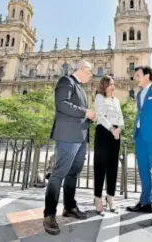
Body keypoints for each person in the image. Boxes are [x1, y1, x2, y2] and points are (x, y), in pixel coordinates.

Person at [43, 60, 95, 236]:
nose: (91, 75)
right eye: (89, 72)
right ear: (81, 69)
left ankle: (69, 207)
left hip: (80, 139)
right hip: (67, 137)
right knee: (58, 174)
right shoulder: (66, 81)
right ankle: (49, 214)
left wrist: (88, 115)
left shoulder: (81, 88)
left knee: (73, 174)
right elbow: (62, 104)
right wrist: (85, 112)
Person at [126, 66, 152, 226]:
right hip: (140, 136)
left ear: (148, 76)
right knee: (143, 170)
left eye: (138, 75)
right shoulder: (138, 94)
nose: (135, 77)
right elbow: (141, 112)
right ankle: (145, 203)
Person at [93, 75, 124, 215]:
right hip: (103, 132)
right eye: (110, 84)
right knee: (100, 166)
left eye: (114, 84)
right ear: (104, 85)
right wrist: (112, 128)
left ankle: (110, 198)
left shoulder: (116, 100)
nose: (113, 86)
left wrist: (119, 129)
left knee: (113, 166)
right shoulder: (99, 97)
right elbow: (99, 116)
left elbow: (121, 116)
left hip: (116, 134)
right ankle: (98, 198)